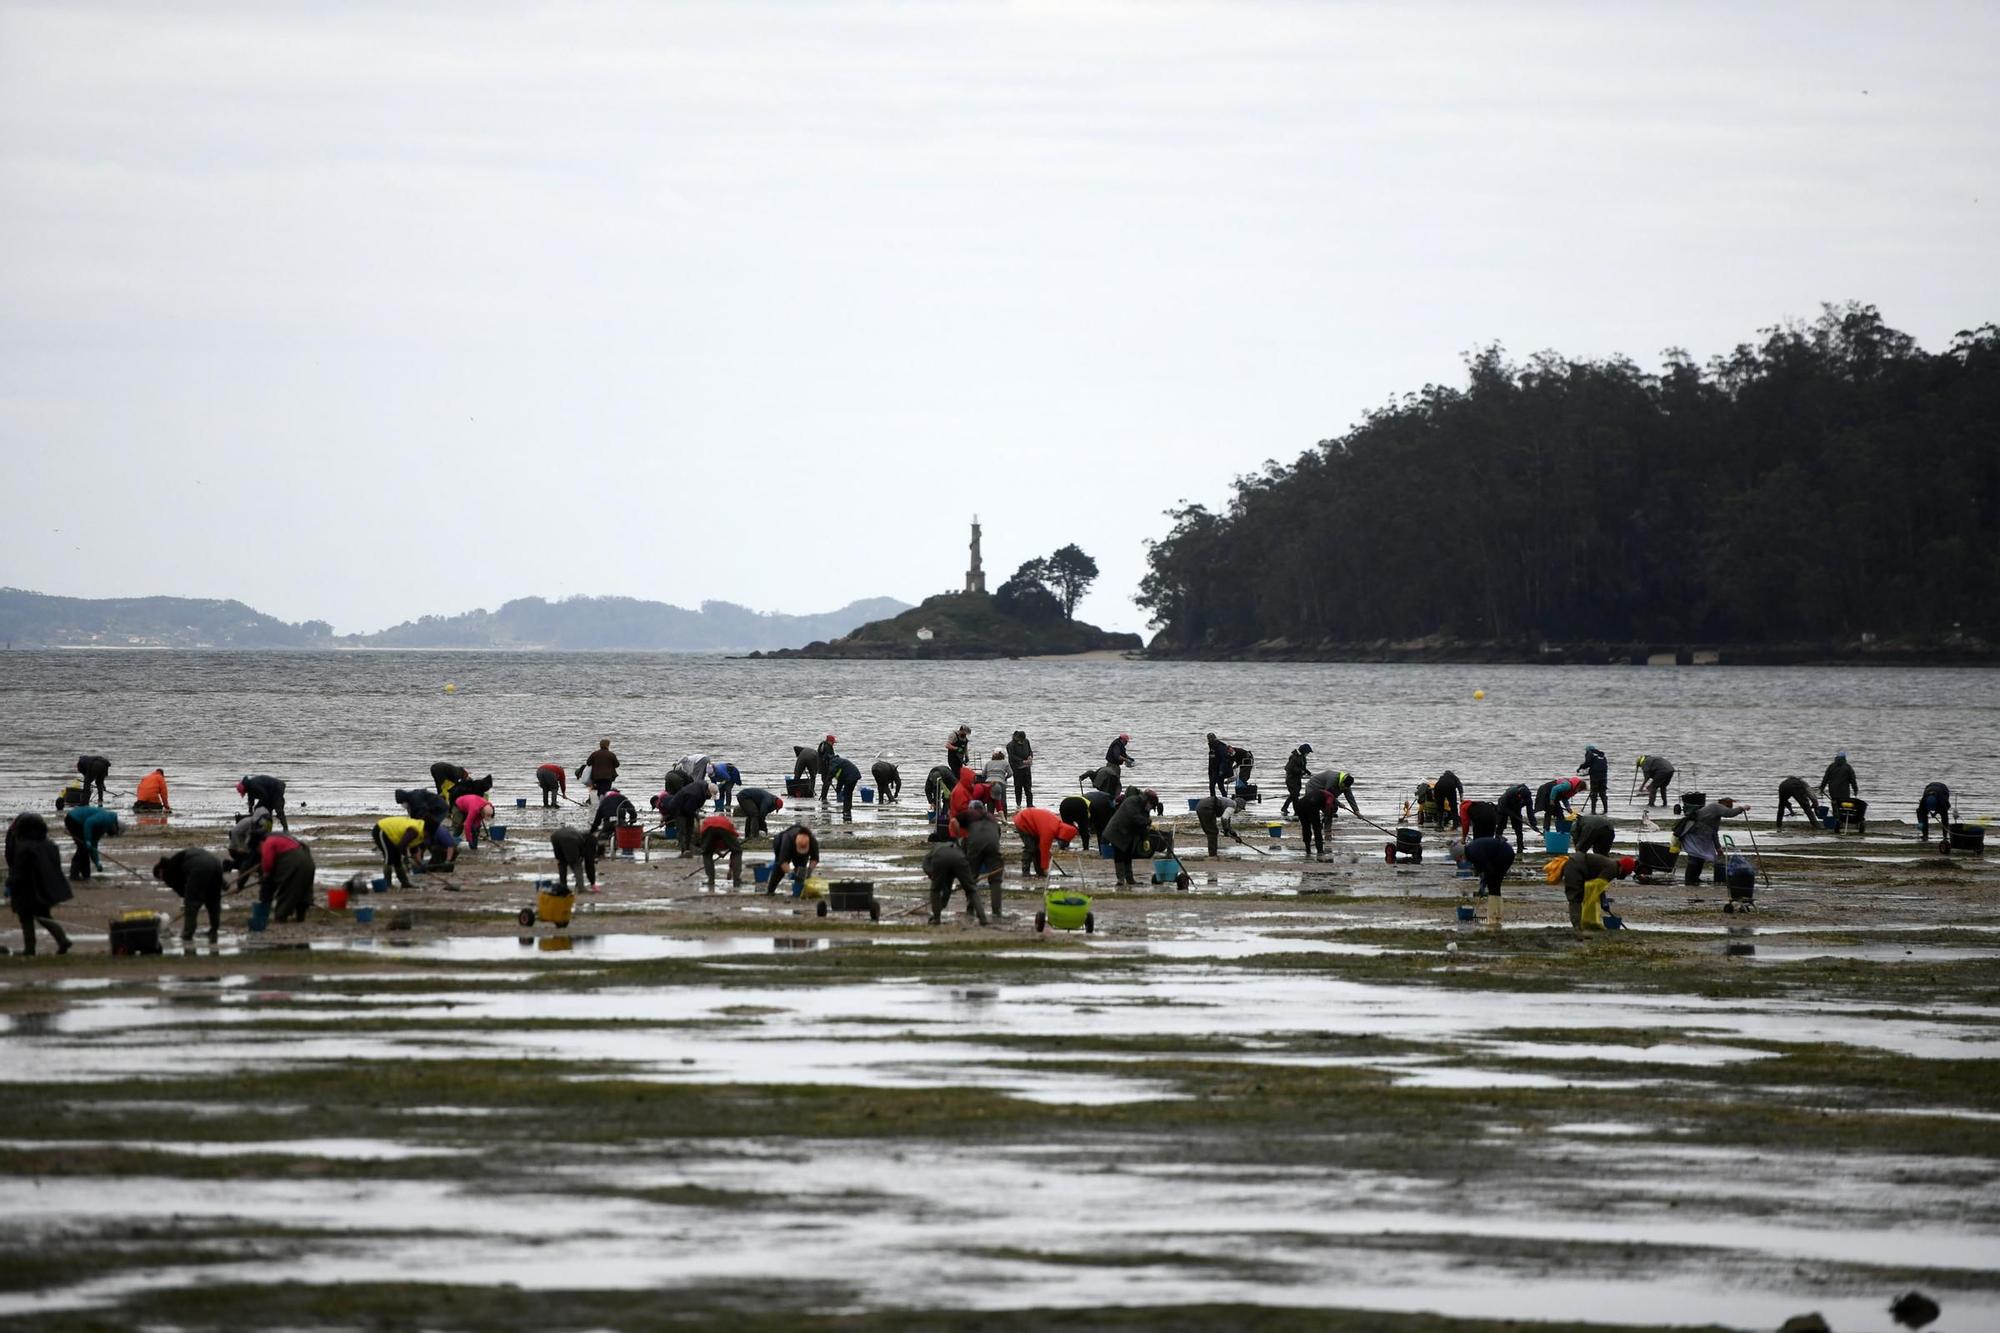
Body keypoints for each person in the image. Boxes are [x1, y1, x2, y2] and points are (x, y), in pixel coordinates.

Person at [6, 812, 73, 955]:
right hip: (45, 888)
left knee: (26, 919)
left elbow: (18, 870)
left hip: (27, 889)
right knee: (45, 917)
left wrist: (10, 884)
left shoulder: (25, 847)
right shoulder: (49, 845)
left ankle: (29, 949)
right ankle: (62, 940)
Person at [155, 848, 225, 944]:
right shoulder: (179, 858)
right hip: (217, 864)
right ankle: (214, 930)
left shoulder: (168, 870)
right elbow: (209, 865)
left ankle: (188, 934)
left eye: (160, 878)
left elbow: (181, 890)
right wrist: (224, 884)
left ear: (160, 871)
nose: (162, 880)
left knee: (191, 904)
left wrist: (193, 898)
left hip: (199, 869)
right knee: (213, 902)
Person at [1678, 797, 1750, 885]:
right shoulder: (1716, 807)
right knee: (1694, 858)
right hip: (1693, 834)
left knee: (1700, 857)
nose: (1730, 806)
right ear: (1724, 803)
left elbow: (1714, 832)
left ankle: (1695, 878)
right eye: (1730, 804)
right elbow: (1729, 813)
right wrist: (1742, 808)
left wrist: (1718, 847)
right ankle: (1690, 880)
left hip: (1701, 836)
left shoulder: (1716, 815)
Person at [1561, 851, 1634, 929]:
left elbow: (1599, 886)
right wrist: (1603, 900)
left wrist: (1603, 901)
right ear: (1622, 868)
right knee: (1575, 898)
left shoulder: (1612, 867)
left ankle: (1580, 924)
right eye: (1625, 873)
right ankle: (1577, 926)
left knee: (1578, 897)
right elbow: (1596, 887)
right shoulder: (1612, 870)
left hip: (1578, 865)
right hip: (1574, 867)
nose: (1625, 876)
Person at [922, 840, 985, 925]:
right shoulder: (954, 848)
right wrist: (967, 881)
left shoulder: (931, 855)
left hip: (941, 857)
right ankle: (983, 918)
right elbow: (947, 888)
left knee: (935, 889)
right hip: (959, 857)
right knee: (971, 889)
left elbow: (925, 864)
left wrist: (932, 874)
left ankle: (936, 919)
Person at [961, 800, 1006, 918]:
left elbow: (965, 841)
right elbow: (997, 836)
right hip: (992, 845)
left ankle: (970, 908)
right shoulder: (992, 819)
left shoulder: (969, 818)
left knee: (971, 878)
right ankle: (996, 912)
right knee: (996, 880)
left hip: (974, 846)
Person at [1102, 787, 1154, 889]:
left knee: (1128, 854)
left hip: (1128, 832)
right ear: (1148, 801)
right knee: (1119, 854)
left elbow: (1143, 824)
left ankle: (1130, 879)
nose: (1151, 808)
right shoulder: (1132, 801)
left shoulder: (1144, 809)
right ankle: (1120, 879)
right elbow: (1133, 816)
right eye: (1151, 805)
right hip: (1116, 830)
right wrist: (1149, 822)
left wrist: (1145, 839)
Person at [258, 831, 315, 922]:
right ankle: (300, 917)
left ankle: (281, 917)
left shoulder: (268, 842)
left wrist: (265, 875)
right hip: (308, 861)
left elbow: (267, 864)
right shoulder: (286, 838)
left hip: (294, 862)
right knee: (304, 890)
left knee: (288, 890)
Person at [1013, 806, 1077, 878]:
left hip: (1033, 823)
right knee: (1030, 848)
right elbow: (1044, 850)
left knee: (1037, 849)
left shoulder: (1057, 825)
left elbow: (1042, 849)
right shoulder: (1050, 830)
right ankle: (1025, 872)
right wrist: (1045, 868)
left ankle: (1039, 872)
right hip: (1024, 820)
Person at [61, 804, 120, 881]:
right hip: (74, 819)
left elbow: (94, 845)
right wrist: (88, 840)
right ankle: (74, 874)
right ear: (115, 826)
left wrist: (97, 862)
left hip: (76, 820)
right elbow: (89, 823)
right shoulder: (106, 818)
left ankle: (86, 874)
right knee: (82, 848)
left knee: (85, 848)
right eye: (115, 832)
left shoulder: (103, 827)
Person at [373, 816, 427, 889]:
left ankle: (404, 883)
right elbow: (402, 845)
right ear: (426, 831)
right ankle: (387, 883)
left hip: (394, 836)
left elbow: (413, 848)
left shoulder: (422, 834)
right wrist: (406, 858)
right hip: (382, 829)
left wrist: (418, 863)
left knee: (397, 859)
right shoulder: (414, 831)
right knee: (389, 856)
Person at [696, 813, 744, 889]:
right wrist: (730, 870)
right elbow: (734, 846)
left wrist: (717, 852)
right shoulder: (727, 821)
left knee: (707, 854)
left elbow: (709, 845)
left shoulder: (708, 820)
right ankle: (736, 879)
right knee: (737, 852)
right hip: (724, 828)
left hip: (708, 828)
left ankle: (711, 880)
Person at [665, 780, 714, 853]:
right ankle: (684, 850)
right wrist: (696, 816)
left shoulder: (702, 788)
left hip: (686, 806)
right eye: (710, 795)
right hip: (678, 809)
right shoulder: (695, 794)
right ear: (708, 791)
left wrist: (695, 815)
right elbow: (688, 809)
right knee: (683, 830)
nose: (710, 797)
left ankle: (689, 847)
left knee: (690, 828)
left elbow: (692, 807)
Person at [769, 824, 819, 893]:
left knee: (801, 870)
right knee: (779, 869)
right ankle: (770, 891)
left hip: (799, 851)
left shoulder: (812, 841)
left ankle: (798, 892)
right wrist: (790, 872)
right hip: (780, 843)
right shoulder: (787, 839)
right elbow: (783, 862)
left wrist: (809, 870)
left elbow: (815, 858)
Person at [1462, 834, 1515, 899]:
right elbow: (1482, 869)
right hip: (1501, 853)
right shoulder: (1470, 851)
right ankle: (1495, 905)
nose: (1460, 861)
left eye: (1458, 859)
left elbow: (1488, 869)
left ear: (1461, 855)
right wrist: (1482, 884)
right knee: (1494, 884)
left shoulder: (1474, 852)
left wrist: (1483, 884)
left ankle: (1494, 906)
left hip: (1504, 853)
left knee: (1494, 884)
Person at [1195, 792, 1246, 857]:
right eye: (1241, 809)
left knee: (1210, 830)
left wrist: (1233, 834)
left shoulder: (1229, 803)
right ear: (1239, 806)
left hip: (1202, 805)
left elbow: (1227, 821)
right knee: (1212, 832)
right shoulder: (1233, 805)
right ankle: (1213, 855)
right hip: (1208, 807)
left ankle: (1212, 853)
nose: (1239, 811)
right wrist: (1226, 830)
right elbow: (1224, 818)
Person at [226, 809, 271, 880]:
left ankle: (235, 865)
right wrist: (239, 847)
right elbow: (234, 832)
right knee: (249, 863)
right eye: (264, 818)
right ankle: (228, 865)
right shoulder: (248, 822)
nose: (265, 820)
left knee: (255, 861)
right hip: (236, 850)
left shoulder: (260, 824)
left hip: (245, 849)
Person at [550, 826, 598, 893]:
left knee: (562, 862)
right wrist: (592, 882)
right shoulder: (590, 841)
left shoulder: (579, 834)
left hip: (555, 837)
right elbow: (589, 863)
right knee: (576, 864)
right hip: (570, 839)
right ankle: (581, 888)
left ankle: (563, 886)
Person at [1495, 783, 1536, 851]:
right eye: (1519, 796)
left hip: (1516, 809)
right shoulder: (1510, 793)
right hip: (1503, 808)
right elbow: (1502, 807)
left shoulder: (1528, 799)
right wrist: (1512, 814)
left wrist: (1533, 823)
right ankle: (1496, 843)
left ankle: (1520, 846)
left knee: (1518, 828)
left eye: (1522, 798)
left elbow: (1530, 811)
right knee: (1500, 826)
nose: (1520, 797)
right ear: (1518, 793)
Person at [1917, 782, 1953, 849]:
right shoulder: (1924, 800)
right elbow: (1919, 811)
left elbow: (1948, 806)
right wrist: (1920, 823)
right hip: (1929, 786)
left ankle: (1945, 836)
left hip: (1943, 789)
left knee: (1944, 817)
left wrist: (1936, 812)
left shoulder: (1942, 800)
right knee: (1922, 814)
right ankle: (1925, 835)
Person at [1281, 743, 1313, 817]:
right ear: (1303, 751)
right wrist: (1300, 771)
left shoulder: (1302, 758)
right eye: (1307, 752)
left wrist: (1308, 773)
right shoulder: (1294, 757)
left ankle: (1284, 807)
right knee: (1295, 796)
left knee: (1294, 794)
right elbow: (1288, 768)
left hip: (1297, 779)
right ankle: (1297, 812)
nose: (1308, 754)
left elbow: (1303, 767)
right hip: (1291, 779)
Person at [1577, 746, 1610, 815]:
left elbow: (1587, 763)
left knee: (1594, 794)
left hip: (1595, 777)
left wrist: (1580, 767)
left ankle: (1593, 811)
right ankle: (1606, 810)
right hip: (1604, 776)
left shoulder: (1590, 753)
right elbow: (1600, 766)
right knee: (1602, 793)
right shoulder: (1602, 756)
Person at [978, 749, 1012, 816]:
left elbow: (983, 774)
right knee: (1002, 801)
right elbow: (1010, 773)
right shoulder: (1005, 763)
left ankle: (990, 818)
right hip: (1000, 782)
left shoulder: (988, 763)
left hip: (989, 783)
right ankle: (1004, 817)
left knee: (990, 801)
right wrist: (1005, 777)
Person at [1006, 731, 1035, 809]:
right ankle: (1018, 804)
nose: (1021, 742)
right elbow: (1012, 757)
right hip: (1017, 768)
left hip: (1027, 768)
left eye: (1023, 740)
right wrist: (1022, 761)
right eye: (1020, 740)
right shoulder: (1010, 745)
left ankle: (1030, 804)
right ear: (1016, 737)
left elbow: (1030, 751)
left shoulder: (1026, 741)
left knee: (1028, 787)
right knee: (1018, 787)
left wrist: (1030, 756)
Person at [1205, 733, 1233, 800]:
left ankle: (1226, 799)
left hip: (1219, 770)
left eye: (1210, 738)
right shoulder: (1212, 746)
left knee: (1220, 786)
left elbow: (1224, 759)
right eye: (1208, 738)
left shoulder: (1220, 746)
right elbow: (1211, 760)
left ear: (1214, 738)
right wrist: (1209, 771)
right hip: (1212, 770)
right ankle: (1213, 800)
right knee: (1211, 786)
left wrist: (1221, 770)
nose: (1209, 740)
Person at [815, 735, 839, 801]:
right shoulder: (828, 747)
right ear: (829, 741)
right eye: (832, 742)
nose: (833, 743)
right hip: (826, 767)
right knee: (827, 782)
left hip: (821, 767)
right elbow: (829, 758)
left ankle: (823, 796)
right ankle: (824, 797)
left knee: (825, 782)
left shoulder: (822, 745)